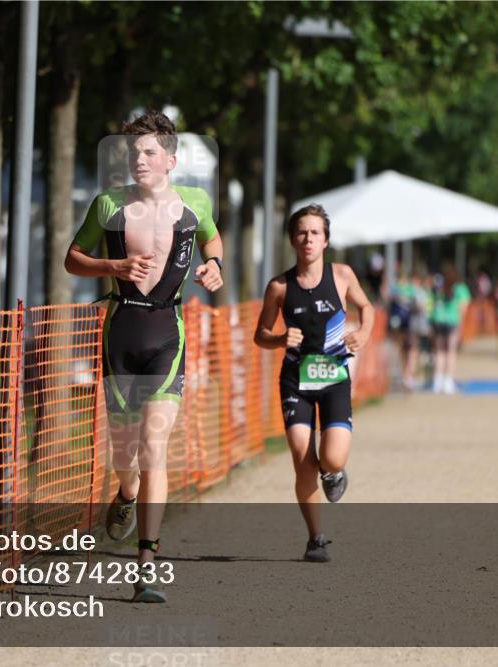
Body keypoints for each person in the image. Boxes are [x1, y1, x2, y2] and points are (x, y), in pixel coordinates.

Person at [64, 110, 223, 601]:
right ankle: (126, 494)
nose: (140, 160)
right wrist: (113, 264)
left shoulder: (194, 202)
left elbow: (212, 240)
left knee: (155, 448)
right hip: (120, 336)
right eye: (133, 153)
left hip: (166, 336)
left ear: (170, 159)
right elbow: (73, 258)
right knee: (125, 456)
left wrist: (214, 266)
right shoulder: (109, 205)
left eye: (149, 152)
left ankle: (146, 564)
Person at [253, 203, 374, 562]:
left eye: (315, 233)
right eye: (302, 232)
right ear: (292, 239)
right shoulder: (279, 286)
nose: (308, 238)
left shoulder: (342, 276)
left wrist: (364, 333)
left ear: (325, 240)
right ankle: (315, 538)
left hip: (334, 376)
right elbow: (259, 334)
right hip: (295, 381)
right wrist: (277, 340)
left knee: (332, 458)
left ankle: (334, 473)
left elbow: (367, 308)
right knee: (302, 460)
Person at [429, 265, 471, 394]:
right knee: (450, 352)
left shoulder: (438, 287)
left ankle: (437, 381)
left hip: (438, 321)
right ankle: (448, 381)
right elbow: (463, 309)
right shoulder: (461, 289)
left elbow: (431, 303)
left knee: (440, 351)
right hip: (452, 322)